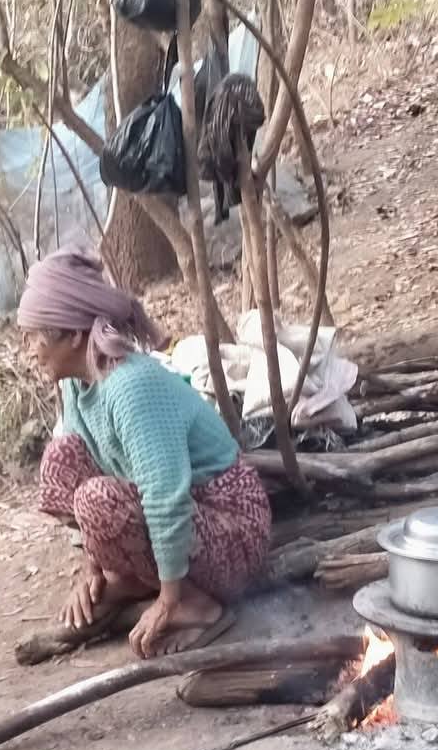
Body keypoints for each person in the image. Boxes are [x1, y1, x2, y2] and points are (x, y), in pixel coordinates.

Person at [18, 249, 270, 658]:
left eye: (35, 337)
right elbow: (90, 465)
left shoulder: (131, 386)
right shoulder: (76, 384)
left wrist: (169, 599)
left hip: (233, 529)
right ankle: (128, 578)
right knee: (60, 459)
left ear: (75, 336)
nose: (29, 350)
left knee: (96, 498)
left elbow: (165, 497)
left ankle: (194, 603)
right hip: (190, 523)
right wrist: (92, 568)